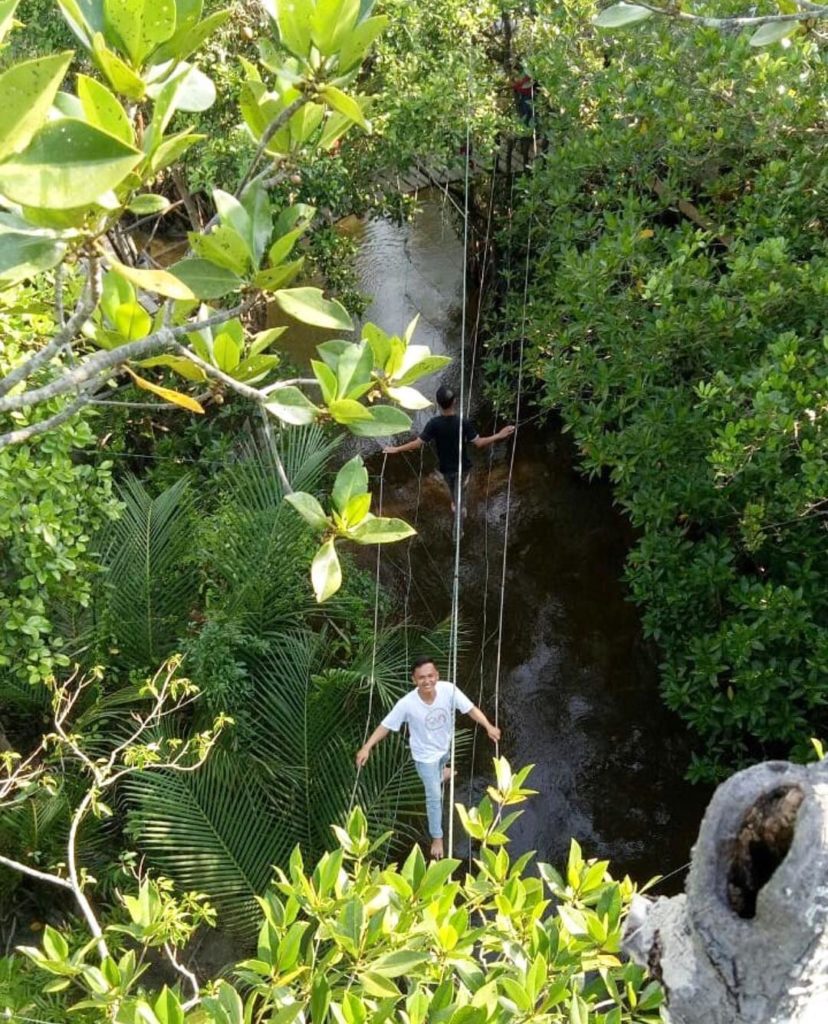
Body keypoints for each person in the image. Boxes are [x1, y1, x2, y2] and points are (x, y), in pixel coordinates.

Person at [355, 655, 501, 860]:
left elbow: (470, 709)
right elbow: (385, 726)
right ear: (414, 680)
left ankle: (442, 773)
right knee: (433, 798)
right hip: (425, 758)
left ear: (437, 676)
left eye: (430, 676)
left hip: (444, 747)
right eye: (421, 677)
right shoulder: (407, 704)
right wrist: (367, 747)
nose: (427, 681)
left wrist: (488, 726)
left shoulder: (448, 690)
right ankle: (437, 838)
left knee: (443, 764)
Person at [382, 385, 516, 515]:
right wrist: (499, 435)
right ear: (455, 402)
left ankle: (455, 503)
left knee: (451, 486)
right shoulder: (463, 423)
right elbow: (479, 443)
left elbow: (416, 444)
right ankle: (461, 505)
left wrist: (397, 449)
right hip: (463, 467)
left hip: (446, 468)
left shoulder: (433, 424)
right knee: (462, 487)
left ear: (438, 404)